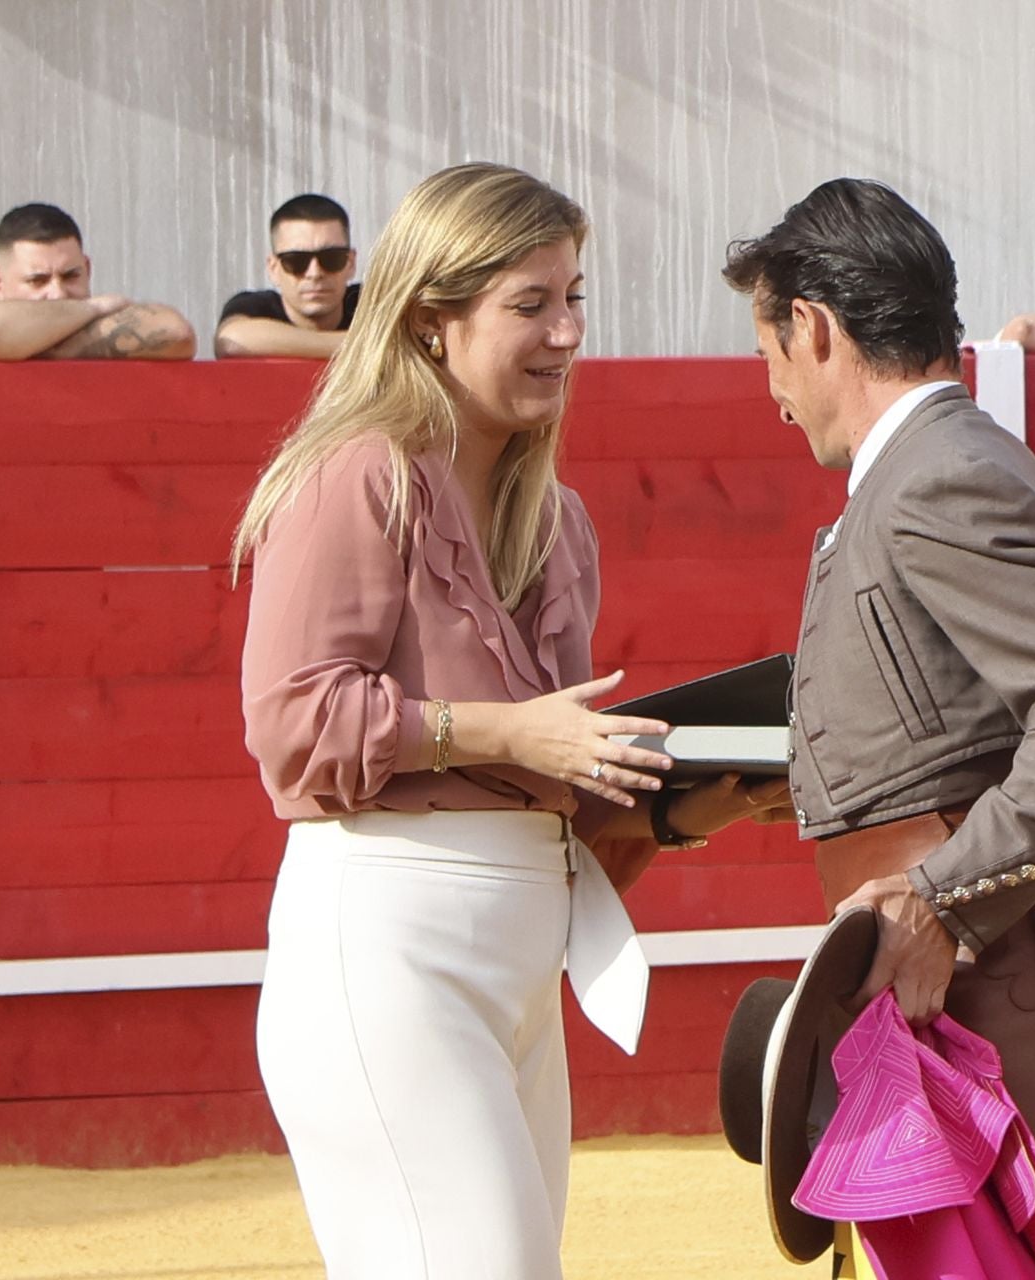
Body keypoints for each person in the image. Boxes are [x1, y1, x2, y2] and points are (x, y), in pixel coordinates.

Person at [234, 162, 786, 1279]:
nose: (567, 331)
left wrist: (694, 799)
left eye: (575, 297)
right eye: (530, 304)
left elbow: (554, 781)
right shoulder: (358, 475)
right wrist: (508, 732)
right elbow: (292, 717)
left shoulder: (557, 517)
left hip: (521, 964)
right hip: (386, 947)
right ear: (435, 319)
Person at [723, 179, 1035, 1273]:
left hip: (984, 980)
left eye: (771, 350)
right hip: (938, 979)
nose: (775, 391)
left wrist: (940, 900)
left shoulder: (936, 477)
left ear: (816, 329)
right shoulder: (920, 476)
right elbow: (938, 727)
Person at [0, 203, 196, 361]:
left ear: (87, 269)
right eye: (37, 281)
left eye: (70, 276)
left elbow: (175, 332)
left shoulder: (95, 328)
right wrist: (93, 309)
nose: (58, 293)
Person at [215, 193, 365, 358]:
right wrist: (360, 345)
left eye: (331, 258)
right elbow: (230, 340)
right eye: (296, 261)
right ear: (273, 268)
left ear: (350, 263)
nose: (314, 273)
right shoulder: (256, 307)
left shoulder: (372, 303)